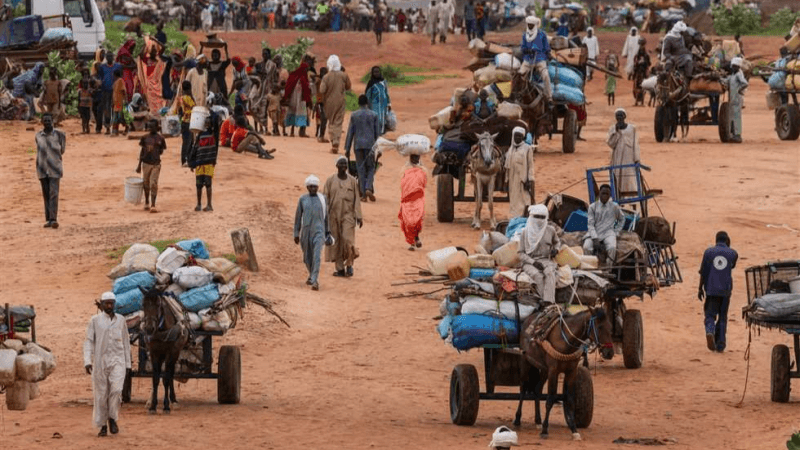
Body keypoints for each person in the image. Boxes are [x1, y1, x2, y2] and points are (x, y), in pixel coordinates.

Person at [84, 292, 131, 437]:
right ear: (102, 304)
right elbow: (89, 341)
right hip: (100, 362)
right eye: (107, 303)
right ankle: (103, 425)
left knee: (116, 391)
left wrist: (128, 364)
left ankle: (113, 418)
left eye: (112, 303)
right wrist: (87, 361)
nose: (109, 306)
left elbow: (126, 342)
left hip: (118, 361)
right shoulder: (95, 320)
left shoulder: (121, 320)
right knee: (101, 395)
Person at [698, 231, 738, 353]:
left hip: (711, 289)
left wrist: (700, 288)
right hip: (726, 290)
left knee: (709, 314)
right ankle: (720, 344)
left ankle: (710, 330)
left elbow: (703, 272)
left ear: (716, 240)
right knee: (723, 316)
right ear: (727, 240)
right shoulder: (733, 253)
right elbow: (731, 266)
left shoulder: (708, 252)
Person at [324, 156, 363, 277]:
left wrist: (359, 216)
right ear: (336, 166)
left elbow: (357, 199)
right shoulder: (330, 180)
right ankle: (340, 269)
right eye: (340, 164)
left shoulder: (352, 181)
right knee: (337, 242)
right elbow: (325, 198)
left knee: (348, 240)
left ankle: (350, 264)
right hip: (333, 215)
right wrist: (324, 216)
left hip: (348, 215)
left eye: (345, 164)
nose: (343, 167)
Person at [294, 175, 331, 291]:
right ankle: (311, 275)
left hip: (319, 231)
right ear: (307, 187)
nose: (313, 189)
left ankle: (315, 280)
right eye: (311, 187)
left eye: (315, 187)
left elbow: (327, 217)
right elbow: (298, 217)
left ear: (318, 187)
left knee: (316, 256)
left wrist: (328, 232)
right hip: (306, 231)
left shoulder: (323, 199)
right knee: (307, 257)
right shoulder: (302, 199)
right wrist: (296, 233)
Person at [518, 204, 560, 304]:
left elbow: (557, 242)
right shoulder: (525, 233)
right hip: (529, 262)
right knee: (538, 276)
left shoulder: (550, 230)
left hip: (546, 260)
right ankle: (543, 301)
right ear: (531, 217)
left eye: (542, 217)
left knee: (550, 274)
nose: (540, 220)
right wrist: (533, 262)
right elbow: (521, 254)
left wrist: (556, 250)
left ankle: (549, 302)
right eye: (537, 217)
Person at [345, 95, 380, 201]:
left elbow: (350, 132)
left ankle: (363, 195)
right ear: (367, 103)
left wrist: (347, 148)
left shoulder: (354, 115)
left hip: (358, 145)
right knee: (370, 168)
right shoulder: (374, 115)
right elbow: (377, 134)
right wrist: (379, 149)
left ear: (358, 103)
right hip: (370, 145)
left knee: (360, 169)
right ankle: (368, 187)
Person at [35, 113, 66, 229]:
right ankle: (48, 219)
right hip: (42, 168)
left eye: (49, 120)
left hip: (55, 168)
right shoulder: (38, 135)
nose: (47, 123)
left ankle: (53, 219)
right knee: (46, 194)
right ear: (42, 122)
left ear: (53, 121)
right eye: (45, 121)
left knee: (54, 194)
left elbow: (62, 149)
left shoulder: (60, 134)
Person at [582, 184, 624, 265]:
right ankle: (590, 269)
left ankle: (608, 270)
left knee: (612, 248)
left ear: (610, 195)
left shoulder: (614, 206)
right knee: (586, 247)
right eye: (603, 193)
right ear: (599, 194)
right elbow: (590, 225)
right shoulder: (592, 207)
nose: (605, 196)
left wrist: (616, 232)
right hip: (594, 232)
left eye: (607, 194)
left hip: (608, 233)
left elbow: (622, 219)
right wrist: (595, 238)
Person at [319, 55, 351, 153]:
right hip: (340, 101)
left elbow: (322, 90)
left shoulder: (326, 77)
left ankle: (333, 140)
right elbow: (348, 87)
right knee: (338, 122)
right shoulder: (344, 75)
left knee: (331, 121)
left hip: (328, 102)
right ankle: (336, 141)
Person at [607, 108, 640, 200]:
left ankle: (631, 199)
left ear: (625, 116)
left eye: (621, 115)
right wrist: (616, 132)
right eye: (617, 116)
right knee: (617, 177)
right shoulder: (612, 129)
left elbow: (635, 144)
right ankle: (618, 198)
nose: (619, 117)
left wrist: (637, 159)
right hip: (617, 157)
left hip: (629, 157)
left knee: (629, 178)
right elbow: (610, 144)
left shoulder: (632, 128)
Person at [188, 116, 219, 211]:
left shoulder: (214, 134)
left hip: (209, 163)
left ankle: (209, 205)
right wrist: (192, 163)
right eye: (206, 123)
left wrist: (210, 112)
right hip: (199, 163)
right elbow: (194, 149)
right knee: (198, 184)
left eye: (209, 123)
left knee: (208, 183)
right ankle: (199, 204)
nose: (207, 124)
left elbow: (217, 120)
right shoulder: (200, 135)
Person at [136, 119, 166, 213]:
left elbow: (161, 150)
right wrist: (139, 165)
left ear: (157, 127)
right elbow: (142, 151)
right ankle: (147, 201)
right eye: (149, 126)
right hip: (146, 164)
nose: (150, 128)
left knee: (153, 183)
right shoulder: (144, 138)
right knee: (146, 183)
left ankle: (153, 204)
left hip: (156, 164)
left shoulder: (160, 138)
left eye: (152, 127)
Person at [519, 16, 552, 102]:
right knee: (520, 75)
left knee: (546, 76)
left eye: (531, 25)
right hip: (528, 60)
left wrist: (547, 54)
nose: (529, 26)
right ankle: (518, 95)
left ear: (535, 25)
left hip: (540, 60)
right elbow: (522, 48)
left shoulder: (542, 34)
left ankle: (549, 97)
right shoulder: (524, 35)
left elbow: (547, 48)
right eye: (528, 25)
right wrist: (527, 50)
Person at [504, 127, 535, 218]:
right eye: (516, 136)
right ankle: (515, 217)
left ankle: (525, 216)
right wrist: (506, 180)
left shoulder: (527, 148)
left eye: (520, 136)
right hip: (513, 179)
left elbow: (530, 166)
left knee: (524, 199)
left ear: (523, 137)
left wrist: (530, 179)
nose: (517, 138)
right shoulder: (511, 149)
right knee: (514, 199)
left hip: (523, 179)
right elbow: (507, 166)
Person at [399, 153, 427, 250]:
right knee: (408, 222)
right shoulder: (405, 170)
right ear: (410, 158)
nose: (415, 159)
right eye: (413, 157)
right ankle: (412, 243)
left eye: (417, 157)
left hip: (418, 199)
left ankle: (416, 237)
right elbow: (402, 184)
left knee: (417, 221)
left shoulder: (422, 170)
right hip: (407, 200)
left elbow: (423, 184)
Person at [283, 55, 313, 138]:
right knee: (302, 113)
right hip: (300, 100)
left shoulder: (295, 76)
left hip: (296, 100)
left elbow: (289, 87)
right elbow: (306, 90)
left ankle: (295, 132)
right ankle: (300, 132)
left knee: (296, 112)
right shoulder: (302, 78)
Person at [724, 57, 748, 144]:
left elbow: (745, 83)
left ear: (738, 67)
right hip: (732, 99)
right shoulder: (733, 75)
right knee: (732, 116)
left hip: (737, 98)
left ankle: (738, 136)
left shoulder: (739, 75)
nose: (733, 67)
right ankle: (733, 134)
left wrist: (739, 90)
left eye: (735, 66)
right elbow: (726, 81)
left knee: (737, 117)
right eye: (733, 66)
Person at [96, 53, 121, 134]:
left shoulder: (118, 66)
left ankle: (115, 127)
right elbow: (99, 77)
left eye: (111, 56)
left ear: (113, 57)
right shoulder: (102, 67)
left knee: (116, 108)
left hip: (116, 91)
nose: (109, 58)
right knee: (106, 108)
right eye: (108, 57)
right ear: (106, 58)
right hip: (105, 90)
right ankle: (107, 127)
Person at [365, 66, 391, 135]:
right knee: (376, 120)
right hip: (374, 106)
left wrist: (389, 104)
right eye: (375, 72)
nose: (376, 73)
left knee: (383, 120)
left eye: (377, 72)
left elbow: (386, 92)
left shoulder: (383, 81)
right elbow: (368, 95)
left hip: (383, 105)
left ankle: (381, 135)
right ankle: (376, 135)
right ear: (372, 73)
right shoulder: (371, 83)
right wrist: (367, 105)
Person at [178, 80, 196, 165]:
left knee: (188, 141)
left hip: (185, 121)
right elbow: (193, 106)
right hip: (187, 121)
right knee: (188, 142)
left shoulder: (181, 97)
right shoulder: (187, 98)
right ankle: (185, 159)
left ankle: (187, 159)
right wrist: (191, 95)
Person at [313, 66, 328, 142]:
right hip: (319, 101)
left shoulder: (324, 80)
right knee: (322, 118)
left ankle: (321, 135)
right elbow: (313, 79)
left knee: (324, 119)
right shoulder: (319, 80)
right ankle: (320, 135)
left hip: (325, 102)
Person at [111, 69, 128, 136]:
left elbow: (124, 91)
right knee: (115, 117)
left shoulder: (120, 81)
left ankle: (127, 127)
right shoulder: (115, 82)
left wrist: (125, 100)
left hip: (120, 103)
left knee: (121, 117)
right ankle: (115, 131)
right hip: (116, 103)